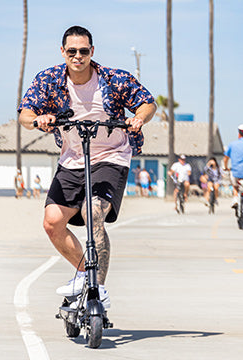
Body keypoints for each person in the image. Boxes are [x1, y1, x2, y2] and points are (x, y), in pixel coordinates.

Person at [18, 25, 156, 308]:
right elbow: (25, 113)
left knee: (92, 213)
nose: (77, 56)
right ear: (63, 52)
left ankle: (99, 290)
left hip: (111, 157)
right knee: (52, 222)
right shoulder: (48, 79)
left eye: (83, 51)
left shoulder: (115, 79)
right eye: (72, 51)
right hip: (72, 160)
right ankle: (84, 275)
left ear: (92, 52)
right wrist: (39, 119)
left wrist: (138, 118)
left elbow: (147, 103)